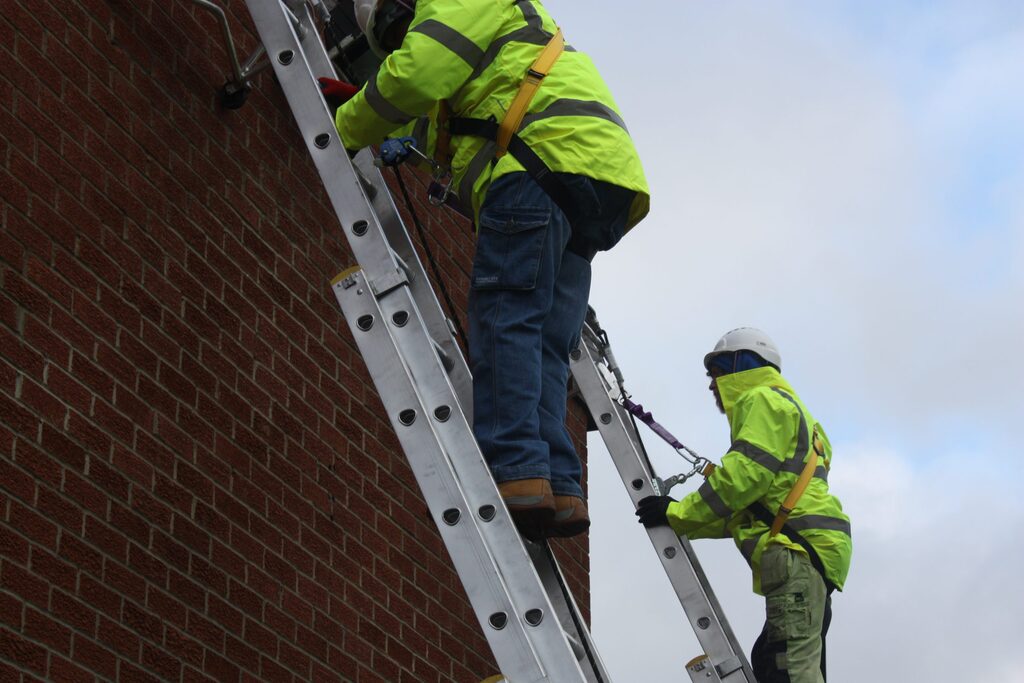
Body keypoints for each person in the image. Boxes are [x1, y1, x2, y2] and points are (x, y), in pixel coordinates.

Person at [330, 0, 650, 539]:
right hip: (591, 178)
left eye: (398, 28)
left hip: (536, 163)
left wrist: (348, 122)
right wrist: (395, 129)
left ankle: (515, 471)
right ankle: (558, 485)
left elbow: (419, 71)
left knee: (505, 317)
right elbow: (454, 122)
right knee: (546, 339)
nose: (403, 39)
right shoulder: (501, 34)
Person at [635, 328, 852, 682]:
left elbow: (743, 477)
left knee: (786, 672)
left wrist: (678, 514)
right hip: (808, 554)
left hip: (796, 553)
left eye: (716, 374)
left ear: (740, 366)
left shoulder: (761, 400)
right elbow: (746, 512)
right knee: (770, 659)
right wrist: (679, 517)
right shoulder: (791, 410)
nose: (711, 386)